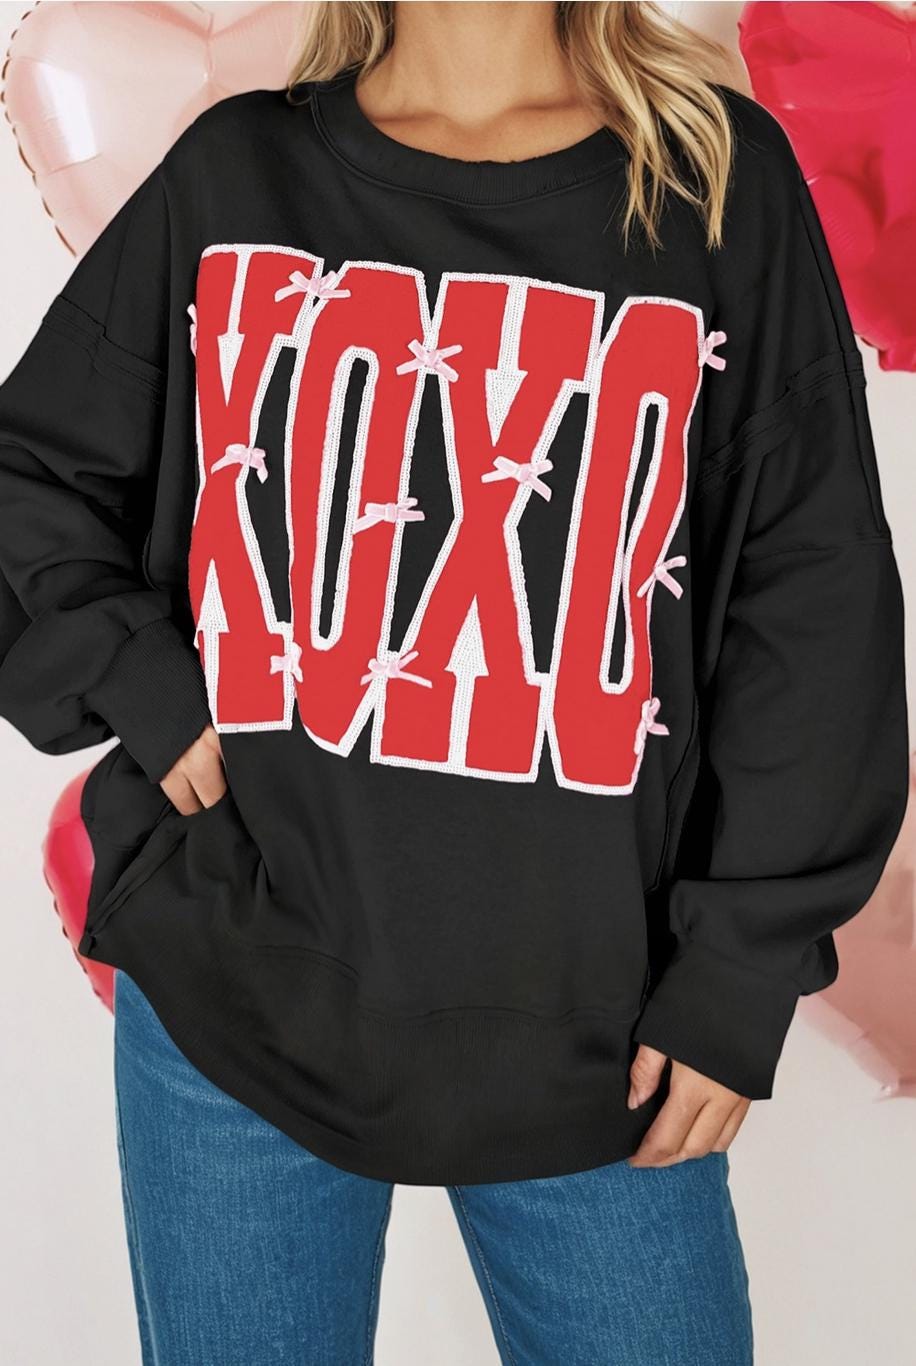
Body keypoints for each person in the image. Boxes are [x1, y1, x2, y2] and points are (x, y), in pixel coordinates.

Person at [0, 2, 908, 1362]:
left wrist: (739, 966)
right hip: (236, 999)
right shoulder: (238, 175)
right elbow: (29, 479)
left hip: (602, 1034)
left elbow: (814, 600)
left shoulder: (715, 182)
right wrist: (140, 676)